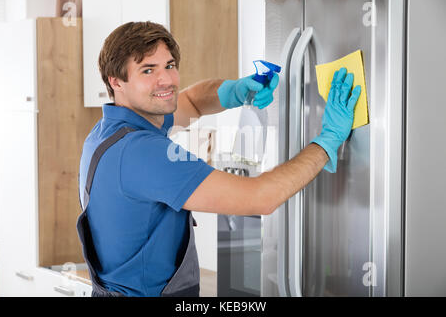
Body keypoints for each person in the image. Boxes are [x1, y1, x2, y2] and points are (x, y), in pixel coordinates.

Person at [77, 21, 361, 297]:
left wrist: (235, 91)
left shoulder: (111, 131)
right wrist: (328, 141)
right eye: (148, 70)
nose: (166, 80)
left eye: (170, 66)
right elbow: (260, 197)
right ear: (116, 82)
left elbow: (191, 102)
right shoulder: (142, 153)